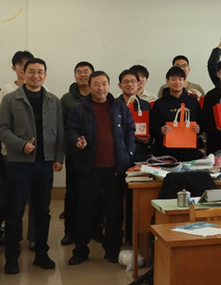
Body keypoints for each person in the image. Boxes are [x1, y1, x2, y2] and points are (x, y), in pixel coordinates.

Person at [0, 58, 64, 275]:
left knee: (43, 211)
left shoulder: (53, 100)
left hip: (45, 164)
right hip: (19, 164)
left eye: (40, 72)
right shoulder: (10, 99)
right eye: (31, 71)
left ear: (45, 75)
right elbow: (1, 128)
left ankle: (41, 254)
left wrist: (58, 157)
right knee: (15, 211)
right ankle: (12, 257)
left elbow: (60, 130)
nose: (36, 75)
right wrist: (21, 145)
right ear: (23, 73)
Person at [66, 71, 135, 265]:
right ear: (89, 86)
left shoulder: (119, 106)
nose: (101, 88)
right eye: (96, 84)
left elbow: (130, 130)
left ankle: (112, 249)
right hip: (90, 168)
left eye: (104, 83)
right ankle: (80, 249)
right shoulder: (79, 108)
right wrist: (76, 140)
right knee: (85, 210)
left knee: (114, 212)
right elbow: (70, 130)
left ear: (109, 86)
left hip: (115, 168)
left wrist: (129, 153)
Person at [59, 61, 94, 247]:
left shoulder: (98, 95)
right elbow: (62, 127)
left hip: (95, 154)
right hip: (74, 154)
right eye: (79, 72)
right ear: (74, 76)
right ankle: (69, 232)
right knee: (72, 193)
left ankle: (94, 230)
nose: (82, 75)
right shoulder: (66, 99)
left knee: (93, 194)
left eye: (86, 71)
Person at [149, 66, 204, 161]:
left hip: (189, 152)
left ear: (185, 82)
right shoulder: (159, 103)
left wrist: (199, 128)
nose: (177, 82)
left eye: (180, 79)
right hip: (165, 152)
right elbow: (151, 126)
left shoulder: (193, 102)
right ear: (167, 81)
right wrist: (160, 130)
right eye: (173, 79)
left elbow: (202, 122)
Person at [118, 69, 152, 163]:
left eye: (133, 81)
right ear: (120, 85)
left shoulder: (145, 105)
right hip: (119, 152)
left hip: (140, 152)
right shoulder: (113, 105)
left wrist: (148, 140)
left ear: (138, 84)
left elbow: (152, 129)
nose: (130, 84)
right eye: (126, 82)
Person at [0, 50, 34, 115]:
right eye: (20, 64)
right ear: (13, 68)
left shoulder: (41, 88)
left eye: (26, 64)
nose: (23, 68)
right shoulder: (6, 88)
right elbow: (0, 113)